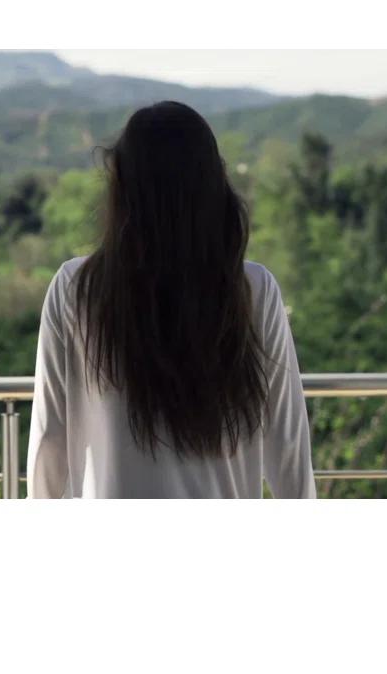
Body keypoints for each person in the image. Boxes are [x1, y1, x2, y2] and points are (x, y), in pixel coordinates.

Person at [26, 101, 316, 499]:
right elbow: (288, 444)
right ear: (214, 183)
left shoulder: (76, 287)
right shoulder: (251, 288)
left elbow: (49, 441)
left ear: (123, 188)